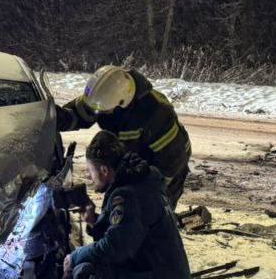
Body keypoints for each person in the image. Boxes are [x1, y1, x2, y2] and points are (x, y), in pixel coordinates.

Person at [61, 131, 196, 279]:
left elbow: (116, 248)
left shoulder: (127, 195)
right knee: (91, 264)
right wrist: (94, 221)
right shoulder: (140, 181)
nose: (89, 177)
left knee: (84, 272)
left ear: (104, 170)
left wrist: (75, 256)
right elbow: (127, 234)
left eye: (90, 171)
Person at [57, 65, 192, 208]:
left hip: (168, 162)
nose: (98, 114)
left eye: (103, 111)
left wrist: (147, 191)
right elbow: (80, 113)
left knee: (149, 210)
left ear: (121, 104)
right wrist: (55, 118)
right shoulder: (108, 94)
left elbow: (171, 163)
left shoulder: (156, 114)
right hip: (131, 154)